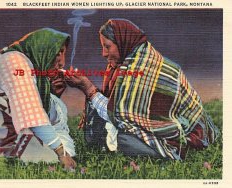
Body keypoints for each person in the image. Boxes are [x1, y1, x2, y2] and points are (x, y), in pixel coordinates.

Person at [65, 19, 219, 160]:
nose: (104, 53)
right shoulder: (128, 63)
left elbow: (118, 114)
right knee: (102, 132)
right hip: (173, 124)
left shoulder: (143, 67)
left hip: (185, 133)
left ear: (122, 41)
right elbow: (118, 107)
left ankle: (170, 151)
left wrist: (88, 88)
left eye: (107, 46)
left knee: (123, 140)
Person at [0, 28, 77, 169]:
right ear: (42, 47)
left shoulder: (11, 57)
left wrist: (53, 93)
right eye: (59, 52)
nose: (62, 63)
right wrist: (61, 153)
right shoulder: (16, 64)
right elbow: (33, 117)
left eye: (64, 53)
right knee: (52, 158)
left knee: (55, 108)